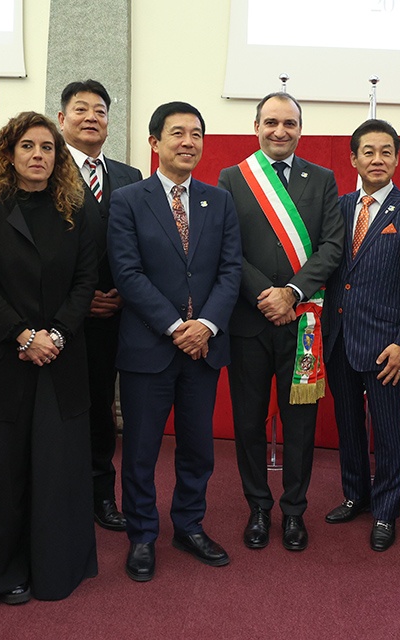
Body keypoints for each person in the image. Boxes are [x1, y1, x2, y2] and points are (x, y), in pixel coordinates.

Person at [0, 111, 98, 604]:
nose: (38, 155)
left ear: (58, 157)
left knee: (55, 468)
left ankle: (53, 569)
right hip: (2, 357)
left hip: (60, 357)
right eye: (28, 146)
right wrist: (23, 335)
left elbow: (86, 281)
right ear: (9, 155)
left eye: (47, 148)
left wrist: (56, 334)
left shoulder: (77, 208)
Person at [108, 101, 241, 582]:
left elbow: (230, 270)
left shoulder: (219, 200)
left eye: (196, 134)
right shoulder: (127, 200)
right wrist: (175, 326)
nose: (188, 142)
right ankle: (142, 535)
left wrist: (205, 325)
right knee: (141, 451)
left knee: (198, 448)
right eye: (178, 133)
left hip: (203, 349)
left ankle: (189, 525)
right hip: (149, 347)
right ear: (154, 142)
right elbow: (127, 273)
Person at [219, 92, 344, 552]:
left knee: (300, 426)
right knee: (249, 423)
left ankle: (294, 511)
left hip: (302, 323)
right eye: (271, 122)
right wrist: (265, 296)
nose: (280, 131)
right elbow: (227, 248)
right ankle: (258, 507)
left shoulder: (323, 179)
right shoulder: (233, 178)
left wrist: (291, 293)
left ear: (300, 130)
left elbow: (332, 246)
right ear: (256, 127)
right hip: (249, 323)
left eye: (289, 123)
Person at [322, 119, 400, 551]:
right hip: (338, 340)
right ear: (354, 159)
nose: (377, 159)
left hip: (386, 346)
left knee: (388, 433)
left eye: (386, 151)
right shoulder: (338, 207)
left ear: (397, 159)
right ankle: (356, 495)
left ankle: (386, 510)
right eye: (368, 151)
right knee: (348, 426)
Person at [58, 79, 144, 532]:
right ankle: (61, 496)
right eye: (81, 109)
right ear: (61, 119)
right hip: (60, 320)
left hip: (117, 316)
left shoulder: (131, 177)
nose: (91, 117)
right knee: (62, 411)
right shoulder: (45, 169)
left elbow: (144, 246)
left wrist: (123, 294)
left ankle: (101, 494)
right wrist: (77, 299)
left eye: (100, 111)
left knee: (102, 411)